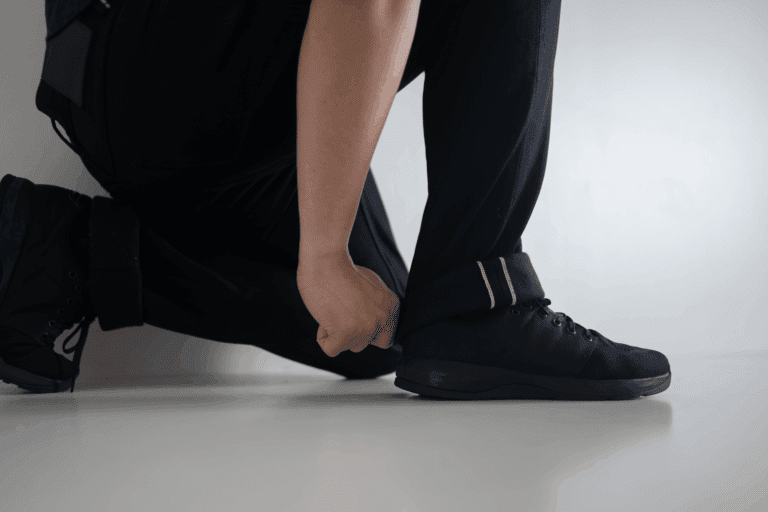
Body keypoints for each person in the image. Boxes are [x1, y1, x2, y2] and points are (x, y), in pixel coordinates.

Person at [0, 0, 671, 399]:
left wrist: (333, 265)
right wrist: (322, 255)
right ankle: (480, 297)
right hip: (151, 65)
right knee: (393, 303)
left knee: (376, 331)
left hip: (143, 93)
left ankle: (55, 250)